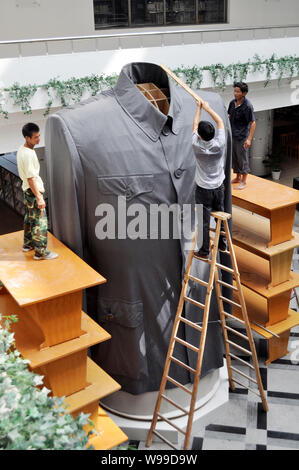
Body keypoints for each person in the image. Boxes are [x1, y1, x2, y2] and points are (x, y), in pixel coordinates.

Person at [17, 123, 58, 260]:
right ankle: (40, 252)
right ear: (27, 138)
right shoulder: (28, 154)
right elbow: (30, 178)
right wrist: (39, 197)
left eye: (39, 136)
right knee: (40, 221)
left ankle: (28, 244)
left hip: (27, 191)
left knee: (30, 218)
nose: (38, 139)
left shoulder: (22, 149)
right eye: (35, 137)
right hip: (33, 191)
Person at [192, 99, 227, 259]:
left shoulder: (196, 146)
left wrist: (199, 109)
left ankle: (204, 251)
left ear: (200, 135)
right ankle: (222, 243)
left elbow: (194, 124)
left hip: (203, 189)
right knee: (220, 213)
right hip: (219, 187)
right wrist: (208, 107)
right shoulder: (220, 143)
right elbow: (219, 120)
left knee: (203, 221)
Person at [228, 82, 256, 189]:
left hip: (242, 136)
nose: (235, 93)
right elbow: (229, 115)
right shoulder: (232, 103)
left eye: (238, 91)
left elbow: (253, 123)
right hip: (233, 134)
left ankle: (244, 181)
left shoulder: (248, 106)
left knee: (242, 158)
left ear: (244, 93)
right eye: (234, 91)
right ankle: (238, 177)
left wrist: (249, 139)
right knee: (235, 156)